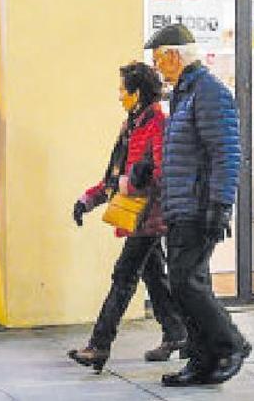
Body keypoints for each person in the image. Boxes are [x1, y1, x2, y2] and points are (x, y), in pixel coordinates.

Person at [145, 24, 251, 387]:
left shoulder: (209, 92)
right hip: (181, 206)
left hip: (199, 206)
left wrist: (220, 205)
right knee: (185, 283)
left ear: (175, 55)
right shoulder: (184, 94)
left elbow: (226, 153)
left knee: (186, 283)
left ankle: (229, 345)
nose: (158, 67)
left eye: (159, 59)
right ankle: (201, 359)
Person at [67, 62, 188, 372]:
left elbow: (162, 173)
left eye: (123, 90)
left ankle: (99, 345)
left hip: (150, 217)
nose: (119, 96)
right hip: (135, 215)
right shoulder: (131, 125)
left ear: (138, 93)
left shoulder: (159, 122)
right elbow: (114, 176)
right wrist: (87, 200)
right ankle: (177, 332)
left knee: (123, 276)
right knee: (154, 276)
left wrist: (134, 182)